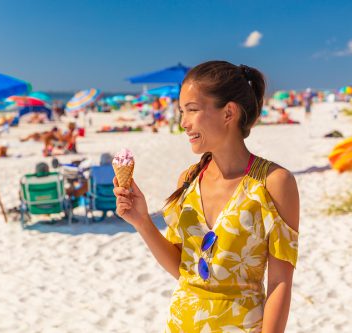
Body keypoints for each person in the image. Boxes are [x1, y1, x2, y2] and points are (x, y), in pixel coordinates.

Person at [113, 61, 300, 332]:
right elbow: (183, 269)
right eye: (181, 112)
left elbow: (280, 282)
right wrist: (142, 221)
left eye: (192, 110)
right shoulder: (188, 180)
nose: (183, 123)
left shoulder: (273, 182)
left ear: (229, 113)